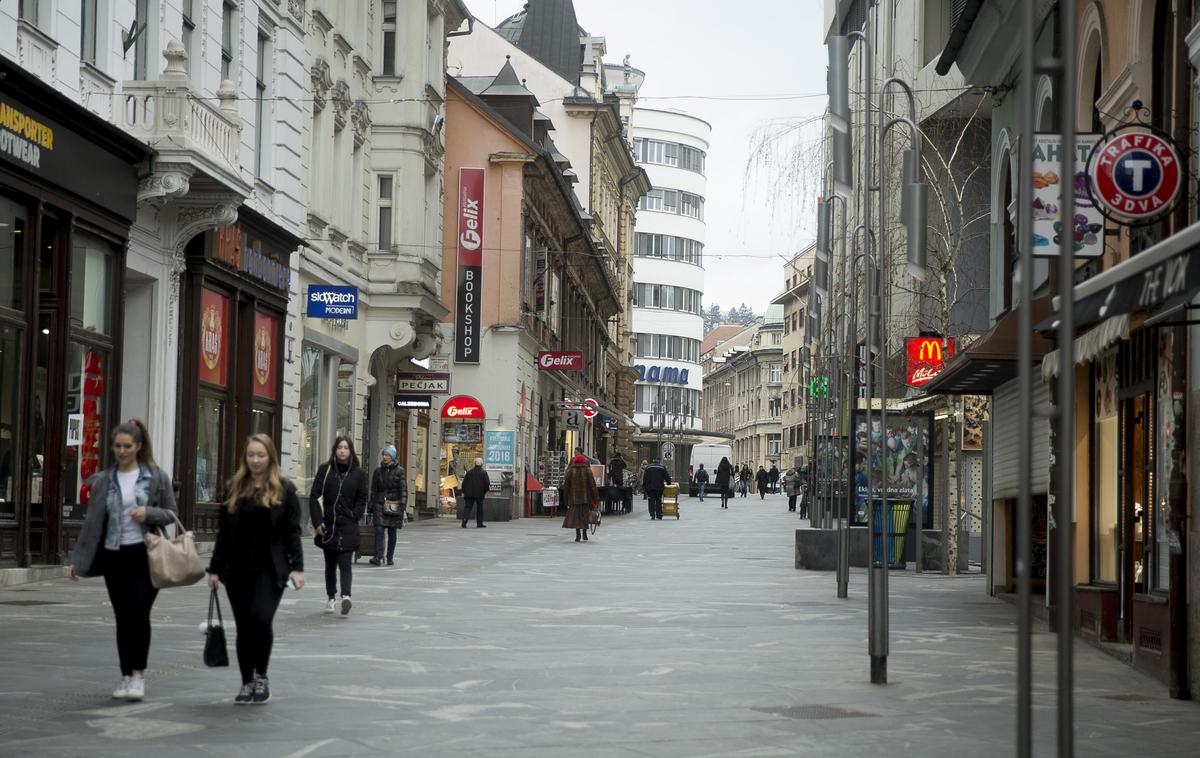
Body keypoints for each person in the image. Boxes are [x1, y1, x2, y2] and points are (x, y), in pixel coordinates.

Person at [69, 420, 176, 702]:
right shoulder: (105, 479)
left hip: (145, 554)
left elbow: (170, 513)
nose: (122, 451)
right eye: (118, 446)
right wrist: (78, 559)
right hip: (114, 556)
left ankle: (138, 675)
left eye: (128, 446)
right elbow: (92, 523)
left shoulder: (156, 477)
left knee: (139, 613)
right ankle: (125, 674)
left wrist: (148, 513)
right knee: (123, 617)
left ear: (139, 446)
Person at [207, 434, 304, 705]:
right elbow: (223, 534)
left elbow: (292, 532)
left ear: (270, 457)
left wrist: (298, 567)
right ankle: (246, 681)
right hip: (237, 569)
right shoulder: (235, 488)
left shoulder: (285, 490)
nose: (255, 460)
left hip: (270, 569)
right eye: (251, 455)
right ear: (245, 458)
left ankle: (262, 676)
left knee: (261, 619)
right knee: (243, 626)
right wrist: (214, 570)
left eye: (260, 455)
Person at [309, 436, 367, 616]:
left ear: (350, 451)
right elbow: (314, 497)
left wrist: (355, 515)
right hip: (328, 525)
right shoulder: (325, 470)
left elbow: (362, 498)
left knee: (346, 563)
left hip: (348, 525)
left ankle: (346, 596)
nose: (342, 451)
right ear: (335, 450)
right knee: (330, 564)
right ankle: (331, 597)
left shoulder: (358, 473)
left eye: (346, 448)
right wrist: (318, 522)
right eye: (340, 447)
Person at [369, 445, 406, 566]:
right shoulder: (378, 471)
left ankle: (390, 557)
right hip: (380, 503)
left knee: (392, 532)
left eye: (388, 455)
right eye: (384, 454)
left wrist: (402, 504)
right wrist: (371, 504)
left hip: (394, 505)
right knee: (379, 530)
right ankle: (377, 556)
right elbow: (374, 490)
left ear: (393, 457)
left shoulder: (400, 471)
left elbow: (403, 489)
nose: (385, 457)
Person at [561, 454, 599, 542]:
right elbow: (592, 485)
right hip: (586, 498)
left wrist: (565, 498)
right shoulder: (588, 470)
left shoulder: (570, 471)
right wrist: (596, 497)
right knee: (585, 515)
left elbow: (566, 486)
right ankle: (585, 533)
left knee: (576, 517)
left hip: (574, 498)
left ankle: (578, 535)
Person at [460, 458, 490, 528]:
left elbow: (464, 484)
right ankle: (479, 523)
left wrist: (464, 491)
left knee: (467, 508)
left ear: (474, 463)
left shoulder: (469, 472)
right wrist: (484, 491)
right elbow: (487, 484)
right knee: (480, 509)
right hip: (480, 494)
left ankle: (464, 520)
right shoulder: (484, 473)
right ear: (482, 464)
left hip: (469, 494)